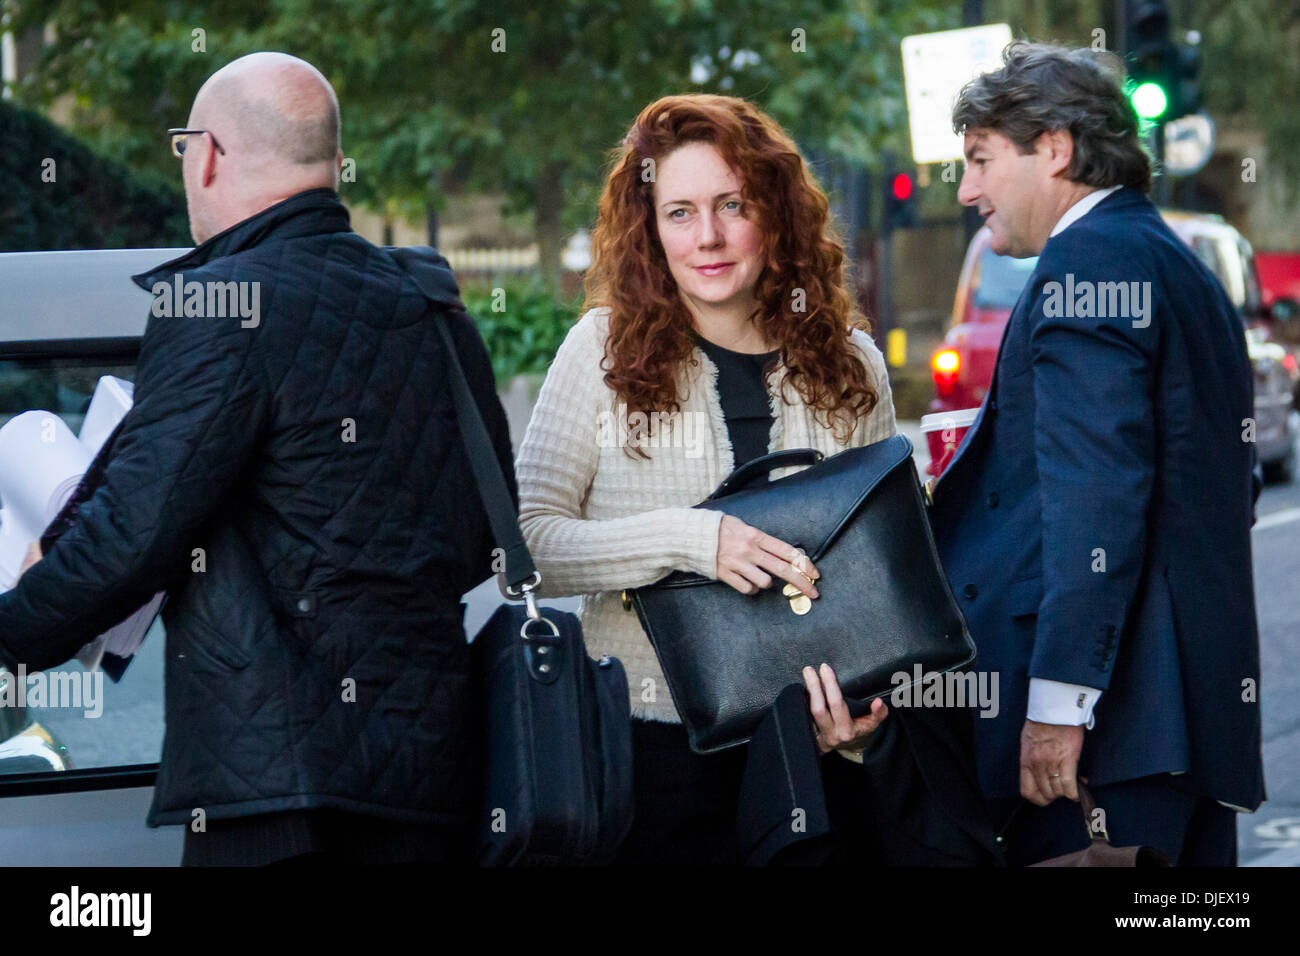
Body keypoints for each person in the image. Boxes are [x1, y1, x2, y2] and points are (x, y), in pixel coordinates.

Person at [0, 52, 515, 865]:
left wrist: (12, 634)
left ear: (206, 153)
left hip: (280, 792)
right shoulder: (431, 303)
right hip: (436, 781)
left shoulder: (218, 302)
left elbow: (132, 538)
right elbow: (480, 529)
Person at [516, 94, 995, 865]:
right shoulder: (599, 354)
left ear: (773, 213)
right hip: (652, 752)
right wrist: (693, 540)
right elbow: (529, 544)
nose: (706, 237)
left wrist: (861, 724)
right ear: (649, 229)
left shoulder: (853, 363)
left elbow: (885, 571)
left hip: (815, 751)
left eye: (730, 205)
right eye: (679, 212)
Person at [930, 41, 1265, 866]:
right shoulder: (1172, 258)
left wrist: (1057, 706)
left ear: (1055, 148)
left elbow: (1097, 502)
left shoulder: (1088, 261)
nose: (967, 190)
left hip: (1113, 734)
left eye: (980, 160)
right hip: (1180, 724)